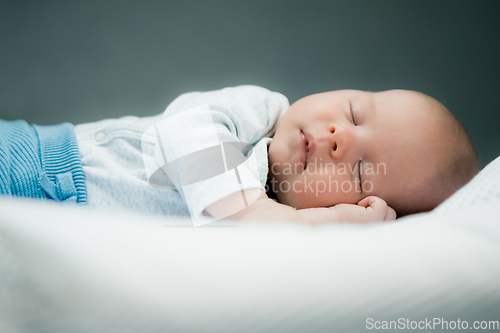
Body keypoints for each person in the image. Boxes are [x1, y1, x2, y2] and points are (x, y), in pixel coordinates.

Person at [0, 85, 479, 225]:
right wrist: (257, 212)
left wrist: (316, 227)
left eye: (360, 171)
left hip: (63, 225)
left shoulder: (276, 235)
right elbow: (184, 132)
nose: (340, 137)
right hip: (42, 167)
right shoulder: (262, 114)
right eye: (354, 111)